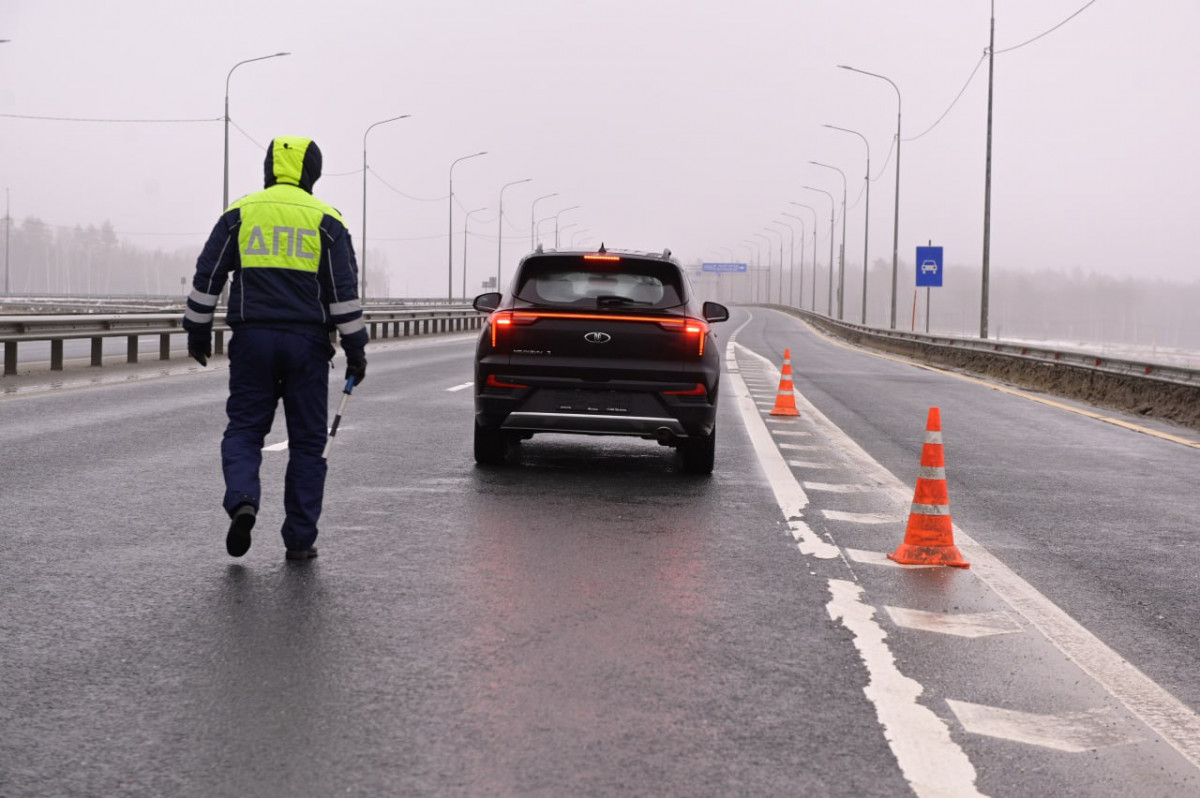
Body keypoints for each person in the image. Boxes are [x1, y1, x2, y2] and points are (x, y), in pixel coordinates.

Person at [183, 136, 368, 561]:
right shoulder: (328, 221)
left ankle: (243, 500)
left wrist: (196, 329)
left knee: (245, 430)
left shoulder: (240, 214)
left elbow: (208, 275)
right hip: (307, 345)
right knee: (307, 443)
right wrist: (357, 348)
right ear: (313, 173)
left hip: (252, 340)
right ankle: (300, 541)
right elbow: (343, 295)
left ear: (269, 167)